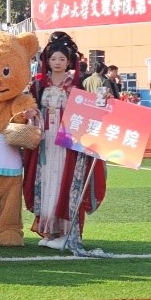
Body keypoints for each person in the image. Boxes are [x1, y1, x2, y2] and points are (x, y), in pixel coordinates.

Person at [24, 32, 107, 250]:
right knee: (46, 181)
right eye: (53, 59)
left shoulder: (78, 84)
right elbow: (32, 107)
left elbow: (94, 109)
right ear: (47, 60)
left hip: (69, 142)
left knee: (66, 182)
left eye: (62, 59)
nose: (58, 63)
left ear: (69, 61)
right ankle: (50, 230)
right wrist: (31, 113)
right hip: (45, 142)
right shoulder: (39, 84)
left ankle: (67, 232)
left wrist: (102, 100)